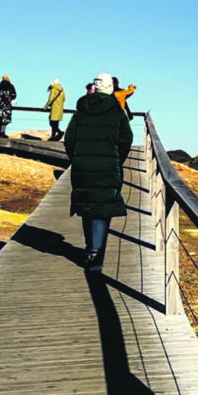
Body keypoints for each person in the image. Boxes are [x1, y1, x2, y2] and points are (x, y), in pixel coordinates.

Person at [64, 72, 133, 273]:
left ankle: (90, 248)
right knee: (102, 207)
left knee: (87, 205)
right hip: (108, 166)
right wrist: (116, 159)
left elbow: (69, 140)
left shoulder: (80, 112)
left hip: (82, 167)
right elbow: (126, 139)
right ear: (111, 88)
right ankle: (95, 251)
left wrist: (78, 159)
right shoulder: (117, 112)